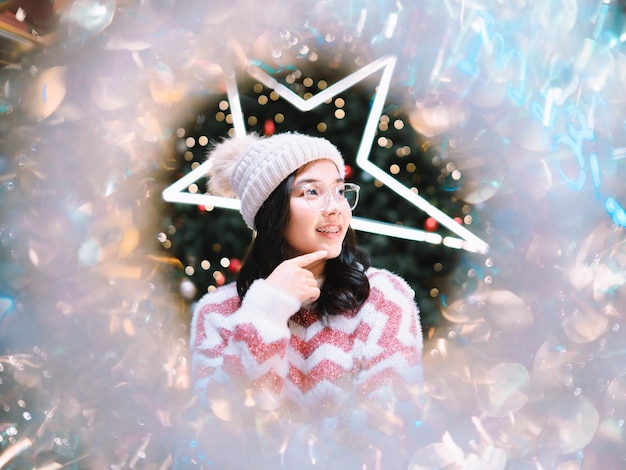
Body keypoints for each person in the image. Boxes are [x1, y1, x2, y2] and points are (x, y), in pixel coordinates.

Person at [187, 132, 423, 468]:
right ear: (271, 209)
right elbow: (217, 437)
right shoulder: (217, 313)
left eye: (340, 191)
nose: (335, 208)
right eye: (311, 191)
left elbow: (389, 429)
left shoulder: (382, 298)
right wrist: (266, 311)